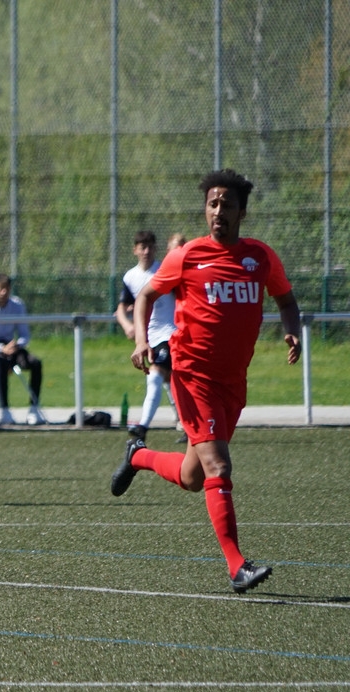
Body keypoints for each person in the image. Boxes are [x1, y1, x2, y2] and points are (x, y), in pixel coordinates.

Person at [110, 168, 302, 594]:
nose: (218, 211)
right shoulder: (188, 256)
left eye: (226, 204)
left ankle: (138, 455)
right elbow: (145, 296)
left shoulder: (260, 257)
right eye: (212, 204)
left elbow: (286, 299)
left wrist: (292, 330)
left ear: (242, 212)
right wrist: (141, 340)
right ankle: (237, 566)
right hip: (193, 376)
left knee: (193, 476)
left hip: (233, 382)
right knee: (219, 466)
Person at [114, 230, 177, 441]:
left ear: (156, 248)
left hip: (169, 333)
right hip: (147, 337)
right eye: (143, 247)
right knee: (170, 380)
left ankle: (142, 426)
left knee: (156, 374)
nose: (147, 251)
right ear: (135, 250)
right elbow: (121, 307)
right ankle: (186, 424)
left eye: (150, 247)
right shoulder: (130, 277)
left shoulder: (164, 270)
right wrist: (127, 325)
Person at [0, 274, 45, 425]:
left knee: (35, 363)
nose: (4, 292)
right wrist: (1, 348)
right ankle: (4, 410)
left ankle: (34, 408)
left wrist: (17, 344)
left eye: (7, 289)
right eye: (0, 289)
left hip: (12, 346)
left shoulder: (17, 304)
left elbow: (25, 334)